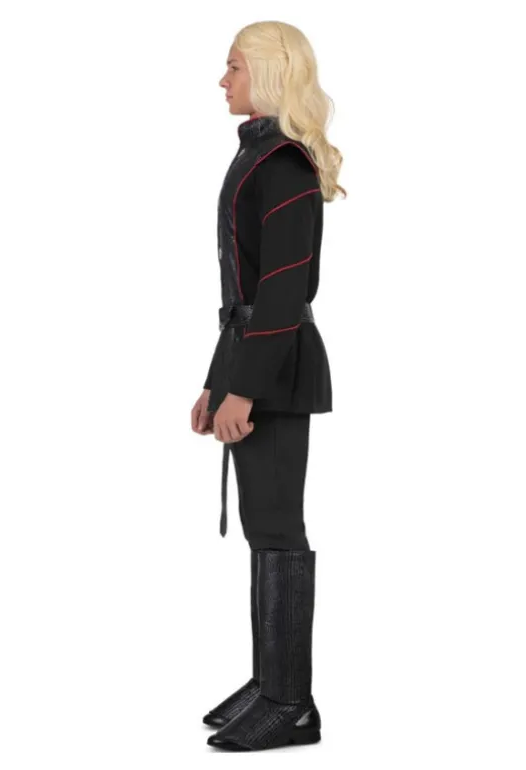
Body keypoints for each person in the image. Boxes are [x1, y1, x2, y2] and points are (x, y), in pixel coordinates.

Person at [190, 20, 346, 752]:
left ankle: (291, 702)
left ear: (270, 74)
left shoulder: (282, 165)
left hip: (278, 370)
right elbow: (242, 296)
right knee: (263, 527)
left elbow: (282, 292)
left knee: (278, 528)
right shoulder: (257, 155)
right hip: (255, 363)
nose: (222, 81)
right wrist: (216, 383)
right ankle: (271, 681)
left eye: (234, 67)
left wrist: (245, 389)